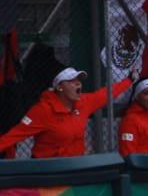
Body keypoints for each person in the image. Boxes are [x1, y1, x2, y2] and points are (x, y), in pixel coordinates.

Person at [0, 65, 133, 158]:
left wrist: (129, 80)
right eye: (71, 81)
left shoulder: (84, 102)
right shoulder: (43, 110)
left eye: (79, 81)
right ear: (59, 87)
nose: (78, 84)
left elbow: (106, 94)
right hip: (48, 169)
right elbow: (15, 134)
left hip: (75, 166)